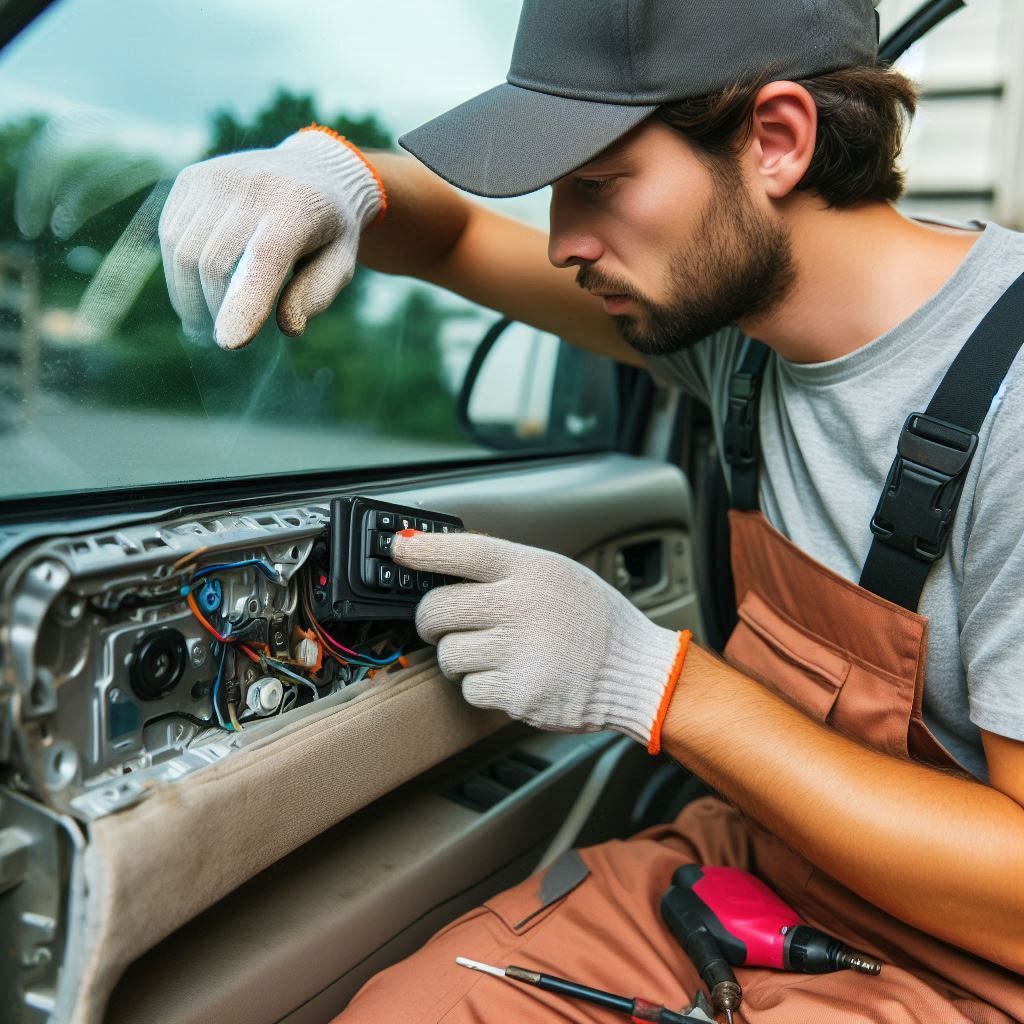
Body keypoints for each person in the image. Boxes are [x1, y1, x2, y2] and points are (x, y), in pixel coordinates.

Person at [157, 1, 1024, 1019]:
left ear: (777, 142)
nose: (565, 239)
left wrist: (653, 680)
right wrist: (334, 175)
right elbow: (458, 236)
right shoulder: (731, 330)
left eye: (599, 184)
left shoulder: (1009, 402)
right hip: (754, 866)